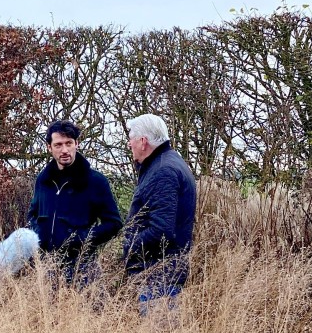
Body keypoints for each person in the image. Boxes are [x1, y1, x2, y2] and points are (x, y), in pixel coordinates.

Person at [27, 120, 123, 285]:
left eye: (69, 143)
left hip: (83, 268)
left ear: (76, 144)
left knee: (89, 312)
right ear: (49, 147)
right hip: (47, 267)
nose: (64, 150)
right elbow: (33, 215)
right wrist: (38, 234)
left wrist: (81, 239)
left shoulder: (95, 181)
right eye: (58, 145)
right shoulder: (43, 181)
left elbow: (114, 224)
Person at [122, 114, 196, 317]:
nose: (129, 144)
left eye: (131, 138)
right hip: (163, 272)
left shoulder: (163, 171)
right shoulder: (167, 163)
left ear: (143, 141)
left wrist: (129, 247)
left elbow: (161, 229)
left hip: (159, 275)